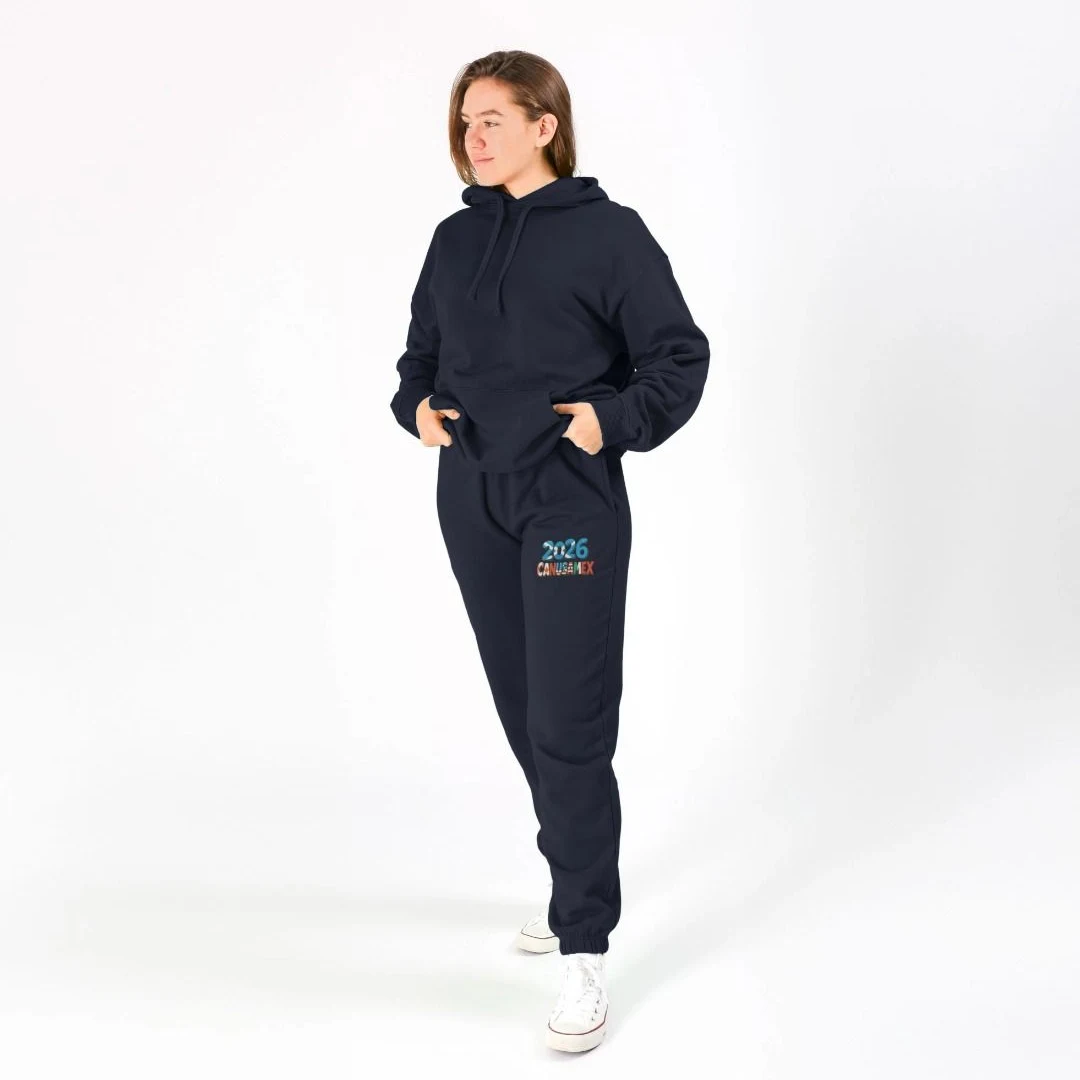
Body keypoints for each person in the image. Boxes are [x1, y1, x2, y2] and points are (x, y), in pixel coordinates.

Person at [389, 50, 710, 1053]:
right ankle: (575, 877)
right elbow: (418, 358)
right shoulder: (453, 240)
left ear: (545, 126)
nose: (474, 136)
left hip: (568, 497)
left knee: (570, 720)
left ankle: (584, 946)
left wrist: (608, 422)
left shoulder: (609, 236)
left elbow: (679, 357)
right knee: (523, 706)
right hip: (471, 496)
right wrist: (418, 408)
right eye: (465, 120)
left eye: (494, 118)